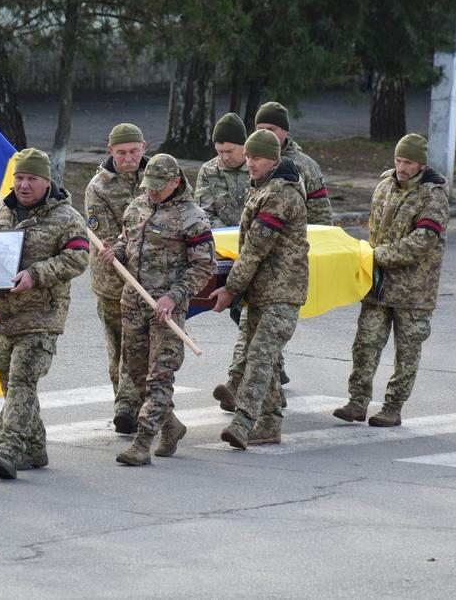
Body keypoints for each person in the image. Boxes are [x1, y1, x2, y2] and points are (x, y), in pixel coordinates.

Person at [211, 101, 332, 413]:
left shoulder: (302, 168)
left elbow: (321, 220)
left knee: (263, 334)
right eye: (260, 129)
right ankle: (262, 389)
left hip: (280, 264)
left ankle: (248, 392)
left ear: (285, 132)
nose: (265, 134)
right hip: (248, 262)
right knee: (254, 327)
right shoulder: (251, 161)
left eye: (272, 129)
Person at [101, 154, 215, 466]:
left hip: (166, 310)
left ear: (175, 182)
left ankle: (142, 442)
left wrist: (174, 296)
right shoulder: (137, 206)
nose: (151, 192)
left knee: (159, 378)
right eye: (148, 185)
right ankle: (171, 425)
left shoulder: (193, 217)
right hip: (133, 303)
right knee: (137, 377)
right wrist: (117, 254)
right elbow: (128, 242)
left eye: (158, 187)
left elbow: (204, 266)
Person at [0, 148, 90, 480]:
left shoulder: (67, 218)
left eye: (32, 179)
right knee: (12, 383)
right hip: (4, 317)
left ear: (47, 181)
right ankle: (35, 447)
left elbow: (78, 259)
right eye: (19, 178)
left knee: (22, 381)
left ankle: (8, 449)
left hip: (42, 317)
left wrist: (36, 274)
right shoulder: (1, 211)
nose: (24, 185)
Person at [332, 134, 449, 427]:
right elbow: (374, 230)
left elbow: (421, 242)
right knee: (365, 345)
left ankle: (393, 407)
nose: (401, 166)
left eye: (407, 162)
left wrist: (378, 255)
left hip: (414, 291)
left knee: (406, 353)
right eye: (398, 160)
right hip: (378, 284)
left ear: (421, 163)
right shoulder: (384, 185)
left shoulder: (433, 196)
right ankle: (357, 402)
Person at [210, 129, 308, 448]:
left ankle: (243, 422)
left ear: (274, 159)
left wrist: (231, 289)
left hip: (283, 291)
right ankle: (269, 423)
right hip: (263, 291)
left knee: (260, 356)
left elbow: (255, 248)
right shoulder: (263, 187)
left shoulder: (280, 193)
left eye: (258, 158)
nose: (250, 163)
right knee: (268, 357)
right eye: (249, 157)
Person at [84, 123, 148, 435]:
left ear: (143, 148)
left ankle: (145, 404)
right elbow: (105, 239)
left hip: (152, 279)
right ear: (111, 152)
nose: (128, 157)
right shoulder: (99, 187)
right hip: (113, 281)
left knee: (148, 346)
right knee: (120, 347)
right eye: (121, 152)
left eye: (134, 151)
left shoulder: (159, 176)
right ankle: (125, 409)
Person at [194, 112, 249, 228]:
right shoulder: (208, 171)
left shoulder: (259, 167)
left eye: (229, 151)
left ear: (244, 144)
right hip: (222, 239)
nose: (225, 158)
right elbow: (203, 214)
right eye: (220, 152)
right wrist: (230, 234)